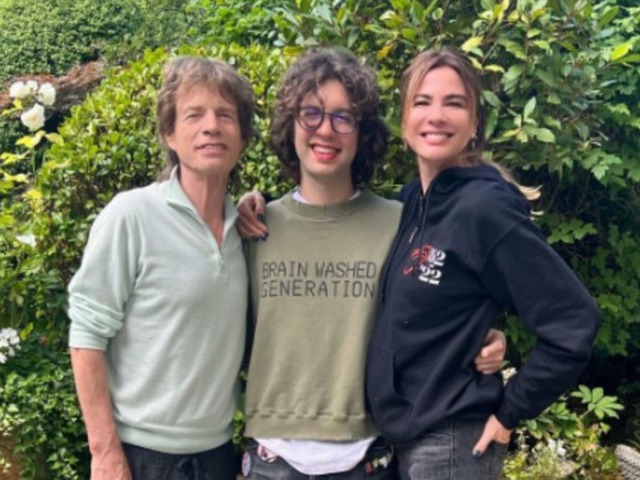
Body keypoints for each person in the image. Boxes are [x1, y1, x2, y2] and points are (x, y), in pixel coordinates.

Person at [238, 48, 506, 480]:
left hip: (368, 457)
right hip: (272, 458)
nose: (326, 130)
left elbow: (441, 306)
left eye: (343, 117)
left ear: (363, 133)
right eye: (311, 114)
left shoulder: (401, 222)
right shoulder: (253, 227)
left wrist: (484, 337)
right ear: (291, 125)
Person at [364, 47, 602, 479]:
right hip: (406, 440)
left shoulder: (484, 209)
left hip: (452, 443)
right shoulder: (412, 201)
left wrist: (512, 411)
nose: (436, 116)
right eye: (422, 102)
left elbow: (573, 320)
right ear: (404, 119)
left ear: (474, 122)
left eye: (454, 103)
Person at [68, 56, 255, 480]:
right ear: (170, 134)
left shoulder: (247, 230)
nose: (211, 126)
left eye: (225, 115)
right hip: (140, 458)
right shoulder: (131, 216)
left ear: (243, 137)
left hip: (217, 456)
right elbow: (86, 339)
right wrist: (105, 453)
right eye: (194, 114)